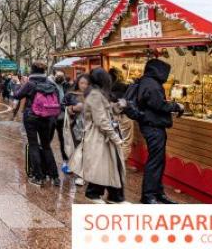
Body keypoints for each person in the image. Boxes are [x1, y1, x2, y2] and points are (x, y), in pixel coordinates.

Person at [69, 68, 128, 204]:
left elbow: (106, 112)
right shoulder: (96, 95)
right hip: (99, 138)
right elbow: (101, 120)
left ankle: (115, 196)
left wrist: (118, 106)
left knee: (109, 167)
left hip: (101, 137)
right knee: (103, 167)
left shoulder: (97, 94)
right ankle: (95, 193)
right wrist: (116, 138)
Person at [137, 59, 184, 204]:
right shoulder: (151, 84)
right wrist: (177, 106)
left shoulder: (147, 81)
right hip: (153, 126)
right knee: (155, 161)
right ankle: (149, 195)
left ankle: (157, 192)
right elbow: (158, 104)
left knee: (158, 160)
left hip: (152, 125)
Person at [14, 62, 60, 186]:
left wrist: (18, 84)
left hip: (31, 117)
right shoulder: (51, 83)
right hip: (47, 118)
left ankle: (38, 177)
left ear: (32, 70)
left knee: (33, 145)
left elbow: (17, 95)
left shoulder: (29, 84)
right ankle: (55, 177)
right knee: (46, 146)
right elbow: (58, 101)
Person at [63, 74, 91, 186]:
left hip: (89, 126)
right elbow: (62, 106)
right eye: (82, 83)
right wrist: (72, 108)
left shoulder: (93, 95)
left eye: (86, 83)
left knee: (84, 150)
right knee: (75, 148)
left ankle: (81, 175)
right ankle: (73, 166)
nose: (84, 86)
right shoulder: (71, 94)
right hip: (74, 125)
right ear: (77, 83)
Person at [109, 67, 134, 161]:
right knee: (126, 141)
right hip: (125, 116)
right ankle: (121, 163)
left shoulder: (107, 88)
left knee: (117, 139)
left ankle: (115, 160)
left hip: (113, 117)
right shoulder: (125, 87)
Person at [52, 70, 69, 174]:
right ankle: (47, 162)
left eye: (61, 75)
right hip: (51, 116)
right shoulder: (50, 85)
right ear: (54, 76)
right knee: (47, 139)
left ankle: (65, 161)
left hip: (63, 116)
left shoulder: (66, 86)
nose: (60, 77)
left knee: (63, 139)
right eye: (58, 75)